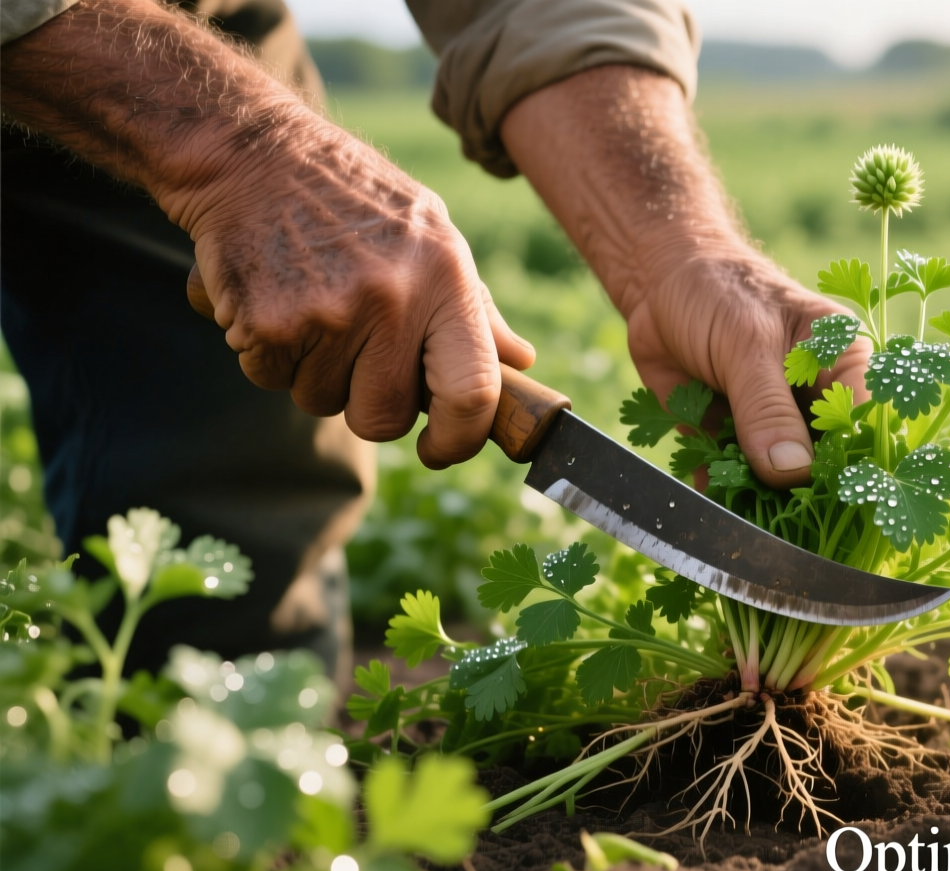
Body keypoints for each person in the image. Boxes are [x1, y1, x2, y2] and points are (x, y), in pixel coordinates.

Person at [0, 0, 868, 680]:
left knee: (234, 458)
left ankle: (239, 822)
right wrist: (242, 146)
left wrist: (675, 245)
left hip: (187, 22)